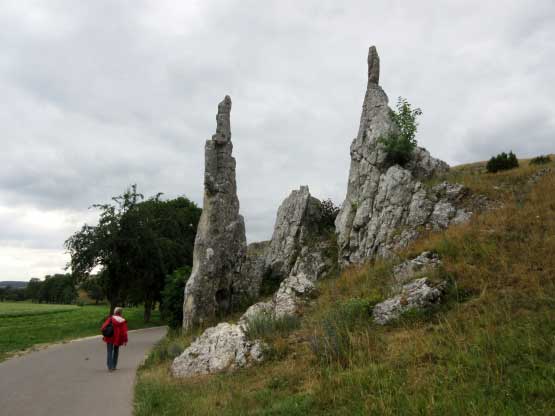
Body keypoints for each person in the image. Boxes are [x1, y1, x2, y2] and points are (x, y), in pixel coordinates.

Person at [101, 307, 128, 372]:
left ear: (115, 312)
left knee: (109, 351)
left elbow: (103, 327)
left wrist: (105, 333)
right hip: (118, 338)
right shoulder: (123, 321)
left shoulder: (110, 319)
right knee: (116, 351)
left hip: (110, 337)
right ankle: (114, 366)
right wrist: (125, 340)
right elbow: (124, 332)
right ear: (121, 313)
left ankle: (109, 367)